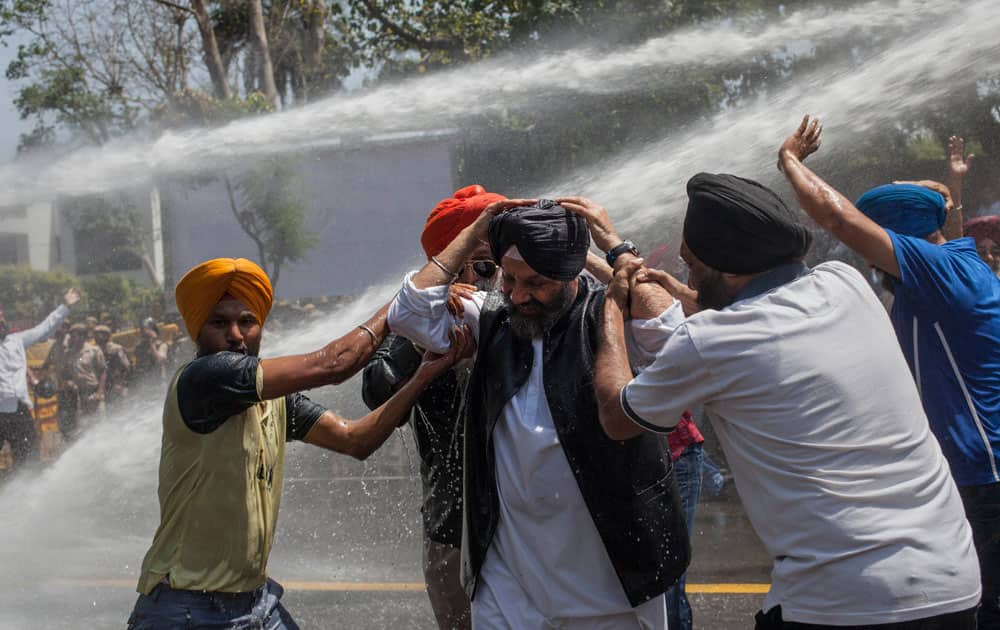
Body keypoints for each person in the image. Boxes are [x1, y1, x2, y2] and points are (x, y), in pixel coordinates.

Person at [584, 168, 981, 629]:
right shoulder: (845, 285)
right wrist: (682, 293)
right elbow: (757, 322)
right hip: (952, 582)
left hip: (846, 602)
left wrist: (612, 304)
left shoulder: (711, 342)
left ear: (727, 267)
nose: (683, 272)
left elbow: (616, 415)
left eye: (690, 264)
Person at [388, 198, 689, 629]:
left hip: (609, 586)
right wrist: (477, 230)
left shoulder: (611, 317)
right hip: (511, 588)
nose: (518, 294)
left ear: (571, 274)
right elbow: (408, 313)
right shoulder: (488, 318)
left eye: (536, 282)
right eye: (509, 278)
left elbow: (676, 339)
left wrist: (614, 251)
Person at [127, 257, 471, 630]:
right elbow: (334, 365)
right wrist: (406, 303)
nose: (236, 336)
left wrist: (424, 374)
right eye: (219, 323)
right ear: (197, 331)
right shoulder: (202, 380)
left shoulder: (274, 399)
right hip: (186, 608)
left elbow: (356, 440)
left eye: (246, 322)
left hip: (256, 602)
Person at [778, 116, 1000, 629]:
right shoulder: (960, 259)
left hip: (980, 469)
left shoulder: (933, 272)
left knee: (982, 606)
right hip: (976, 465)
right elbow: (953, 226)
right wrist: (953, 187)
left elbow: (838, 221)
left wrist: (789, 161)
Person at [362, 185, 505, 630]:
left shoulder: (516, 310)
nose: (494, 277)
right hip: (451, 530)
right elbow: (376, 391)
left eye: (500, 265)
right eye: (485, 265)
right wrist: (426, 348)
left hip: (524, 527)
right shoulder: (417, 319)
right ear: (453, 262)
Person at [0, 289, 80, 472]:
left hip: (19, 411)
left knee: (28, 458)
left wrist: (65, 306)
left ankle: (27, 494)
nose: (1, 324)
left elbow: (44, 328)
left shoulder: (17, 341)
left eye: (2, 320)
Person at [54, 322, 106, 440]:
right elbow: (63, 373)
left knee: (99, 426)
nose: (72, 338)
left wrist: (99, 393)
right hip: (77, 396)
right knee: (83, 428)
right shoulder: (68, 354)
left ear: (83, 336)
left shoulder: (93, 350)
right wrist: (68, 381)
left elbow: (103, 371)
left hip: (93, 393)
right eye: (71, 335)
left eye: (75, 335)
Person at [94, 325, 131, 406]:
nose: (96, 336)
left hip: (117, 385)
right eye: (95, 334)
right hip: (105, 388)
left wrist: (121, 383)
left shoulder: (116, 348)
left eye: (99, 334)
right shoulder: (95, 350)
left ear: (106, 335)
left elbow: (126, 366)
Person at [133, 317, 168, 386]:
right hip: (144, 384)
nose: (144, 333)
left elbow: (159, 360)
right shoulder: (139, 348)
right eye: (142, 330)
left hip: (159, 383)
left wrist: (151, 342)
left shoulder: (161, 345)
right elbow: (137, 367)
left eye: (147, 330)